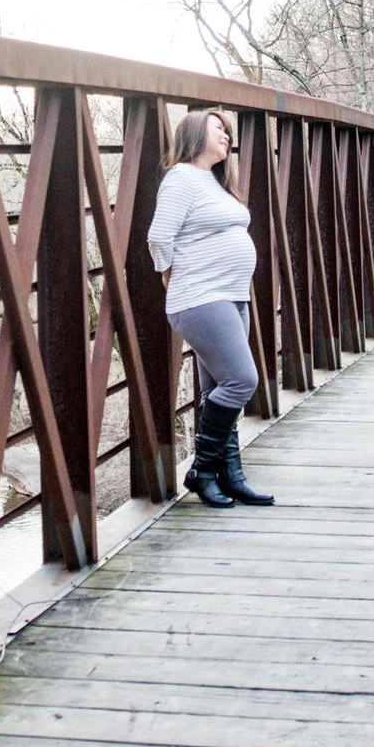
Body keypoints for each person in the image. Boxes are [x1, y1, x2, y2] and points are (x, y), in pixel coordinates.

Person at [146, 107, 273, 508]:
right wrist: (169, 276)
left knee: (219, 388)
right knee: (242, 380)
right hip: (200, 296)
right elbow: (158, 237)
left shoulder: (214, 182)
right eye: (218, 128)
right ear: (195, 133)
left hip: (231, 295)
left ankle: (230, 475)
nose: (227, 135)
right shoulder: (182, 177)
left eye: (227, 131)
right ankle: (202, 471)